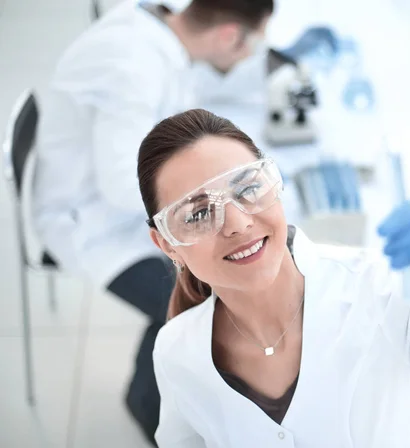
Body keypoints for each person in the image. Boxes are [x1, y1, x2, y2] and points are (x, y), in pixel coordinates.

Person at [137, 108, 410, 447]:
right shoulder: (176, 351)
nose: (238, 223)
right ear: (167, 244)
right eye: (196, 214)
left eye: (248, 188)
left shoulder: (380, 286)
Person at [32, 0, 274, 444]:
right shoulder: (135, 66)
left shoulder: (157, 27)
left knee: (221, 269)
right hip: (89, 220)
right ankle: (148, 405)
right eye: (252, 44)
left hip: (117, 204)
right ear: (228, 36)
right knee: (199, 296)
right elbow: (120, 184)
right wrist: (211, 202)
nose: (248, 56)